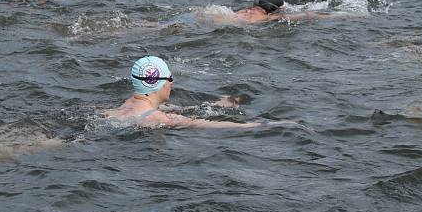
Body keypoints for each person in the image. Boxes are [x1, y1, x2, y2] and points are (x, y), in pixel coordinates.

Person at [106, 56, 296, 129]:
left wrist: (216, 106)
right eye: (169, 79)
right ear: (157, 82)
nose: (171, 83)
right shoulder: (155, 117)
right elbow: (201, 123)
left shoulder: (129, 104)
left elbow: (184, 112)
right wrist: (260, 125)